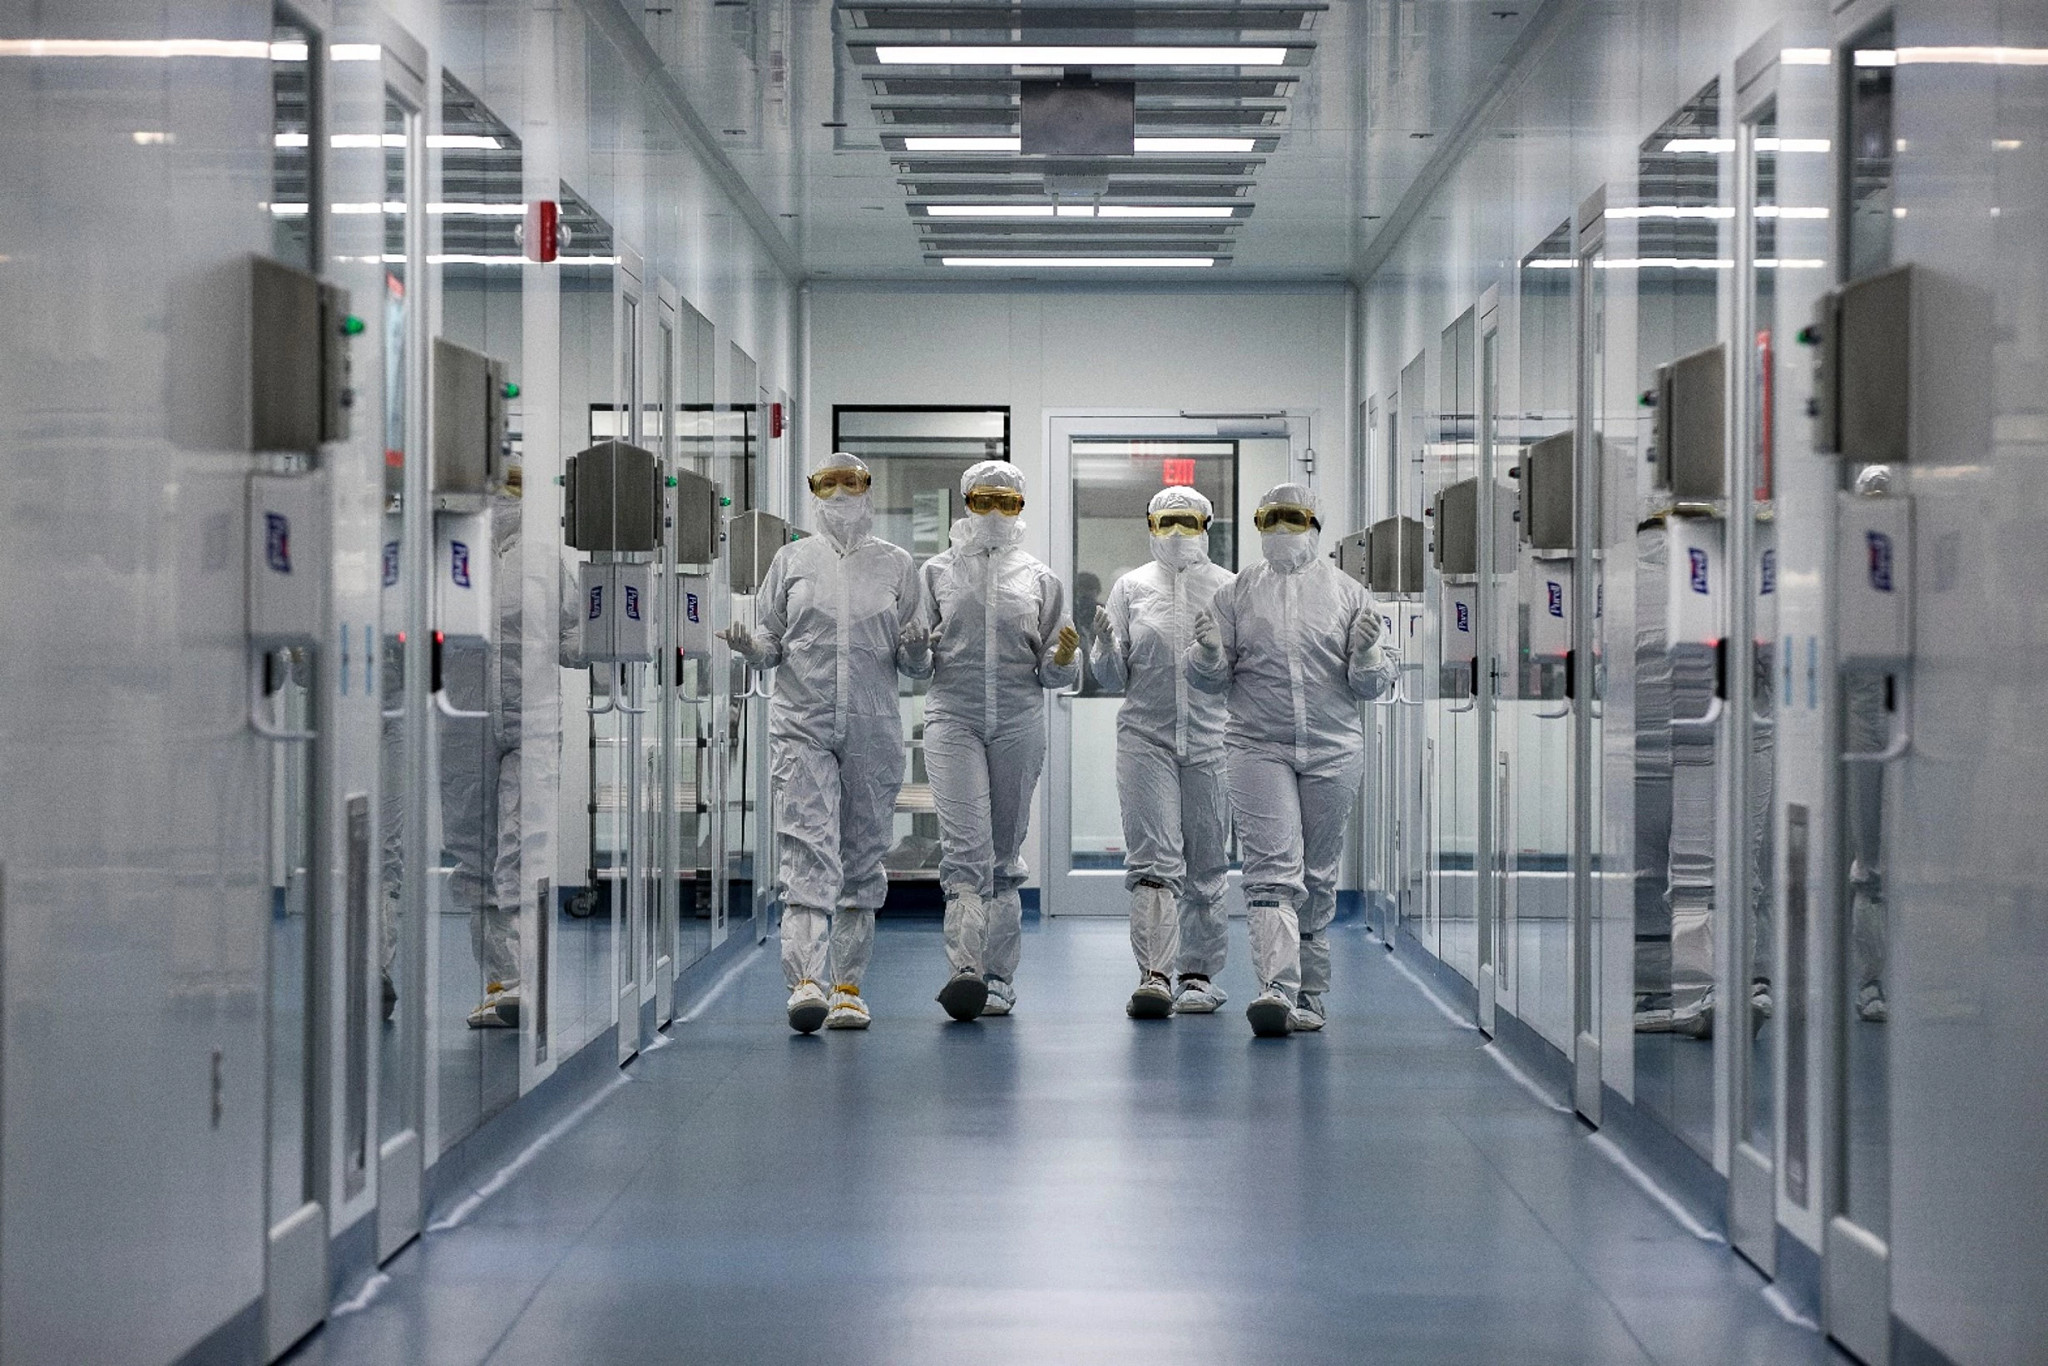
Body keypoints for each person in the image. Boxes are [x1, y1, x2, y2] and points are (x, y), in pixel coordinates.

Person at [720, 452, 925, 1033]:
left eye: (851, 481)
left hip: (872, 725)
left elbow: (916, 654)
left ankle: (849, 985)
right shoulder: (791, 560)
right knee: (806, 849)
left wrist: (915, 648)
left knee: (862, 856)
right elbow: (770, 639)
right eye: (828, 482)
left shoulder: (896, 565)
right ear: (813, 490)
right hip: (802, 723)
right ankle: (805, 982)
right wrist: (750, 648)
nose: (840, 492)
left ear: (868, 487)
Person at [1188, 482, 1395, 1037]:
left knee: (1318, 871)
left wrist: (1371, 652)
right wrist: (1206, 654)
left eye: (1292, 517)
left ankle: (1312, 991)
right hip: (1258, 745)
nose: (1280, 529)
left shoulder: (1350, 595)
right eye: (1269, 518)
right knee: (1271, 869)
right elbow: (1210, 681)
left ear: (1315, 525)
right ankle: (1276, 986)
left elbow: (1371, 684)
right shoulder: (1236, 595)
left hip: (1333, 748)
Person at [914, 460, 1080, 1021]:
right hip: (952, 716)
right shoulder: (935, 572)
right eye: (983, 500)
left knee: (1004, 854)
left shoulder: (1039, 578)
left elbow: (1057, 671)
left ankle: (1000, 978)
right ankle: (964, 969)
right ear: (965, 503)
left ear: (1020, 509)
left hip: (1018, 717)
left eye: (1005, 503)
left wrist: (1062, 659)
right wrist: (915, 648)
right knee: (966, 849)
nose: (993, 512)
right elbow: (914, 665)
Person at [1089, 487, 1236, 1018]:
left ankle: (1197, 975)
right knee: (1153, 860)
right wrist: (1104, 645)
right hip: (1145, 739)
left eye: (1188, 521)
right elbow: (1112, 677)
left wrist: (1216, 655)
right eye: (1167, 521)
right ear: (1150, 524)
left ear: (1207, 525)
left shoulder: (1227, 588)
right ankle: (1154, 973)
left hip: (1211, 738)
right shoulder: (1131, 587)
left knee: (1207, 860)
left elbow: (1239, 678)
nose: (1177, 532)